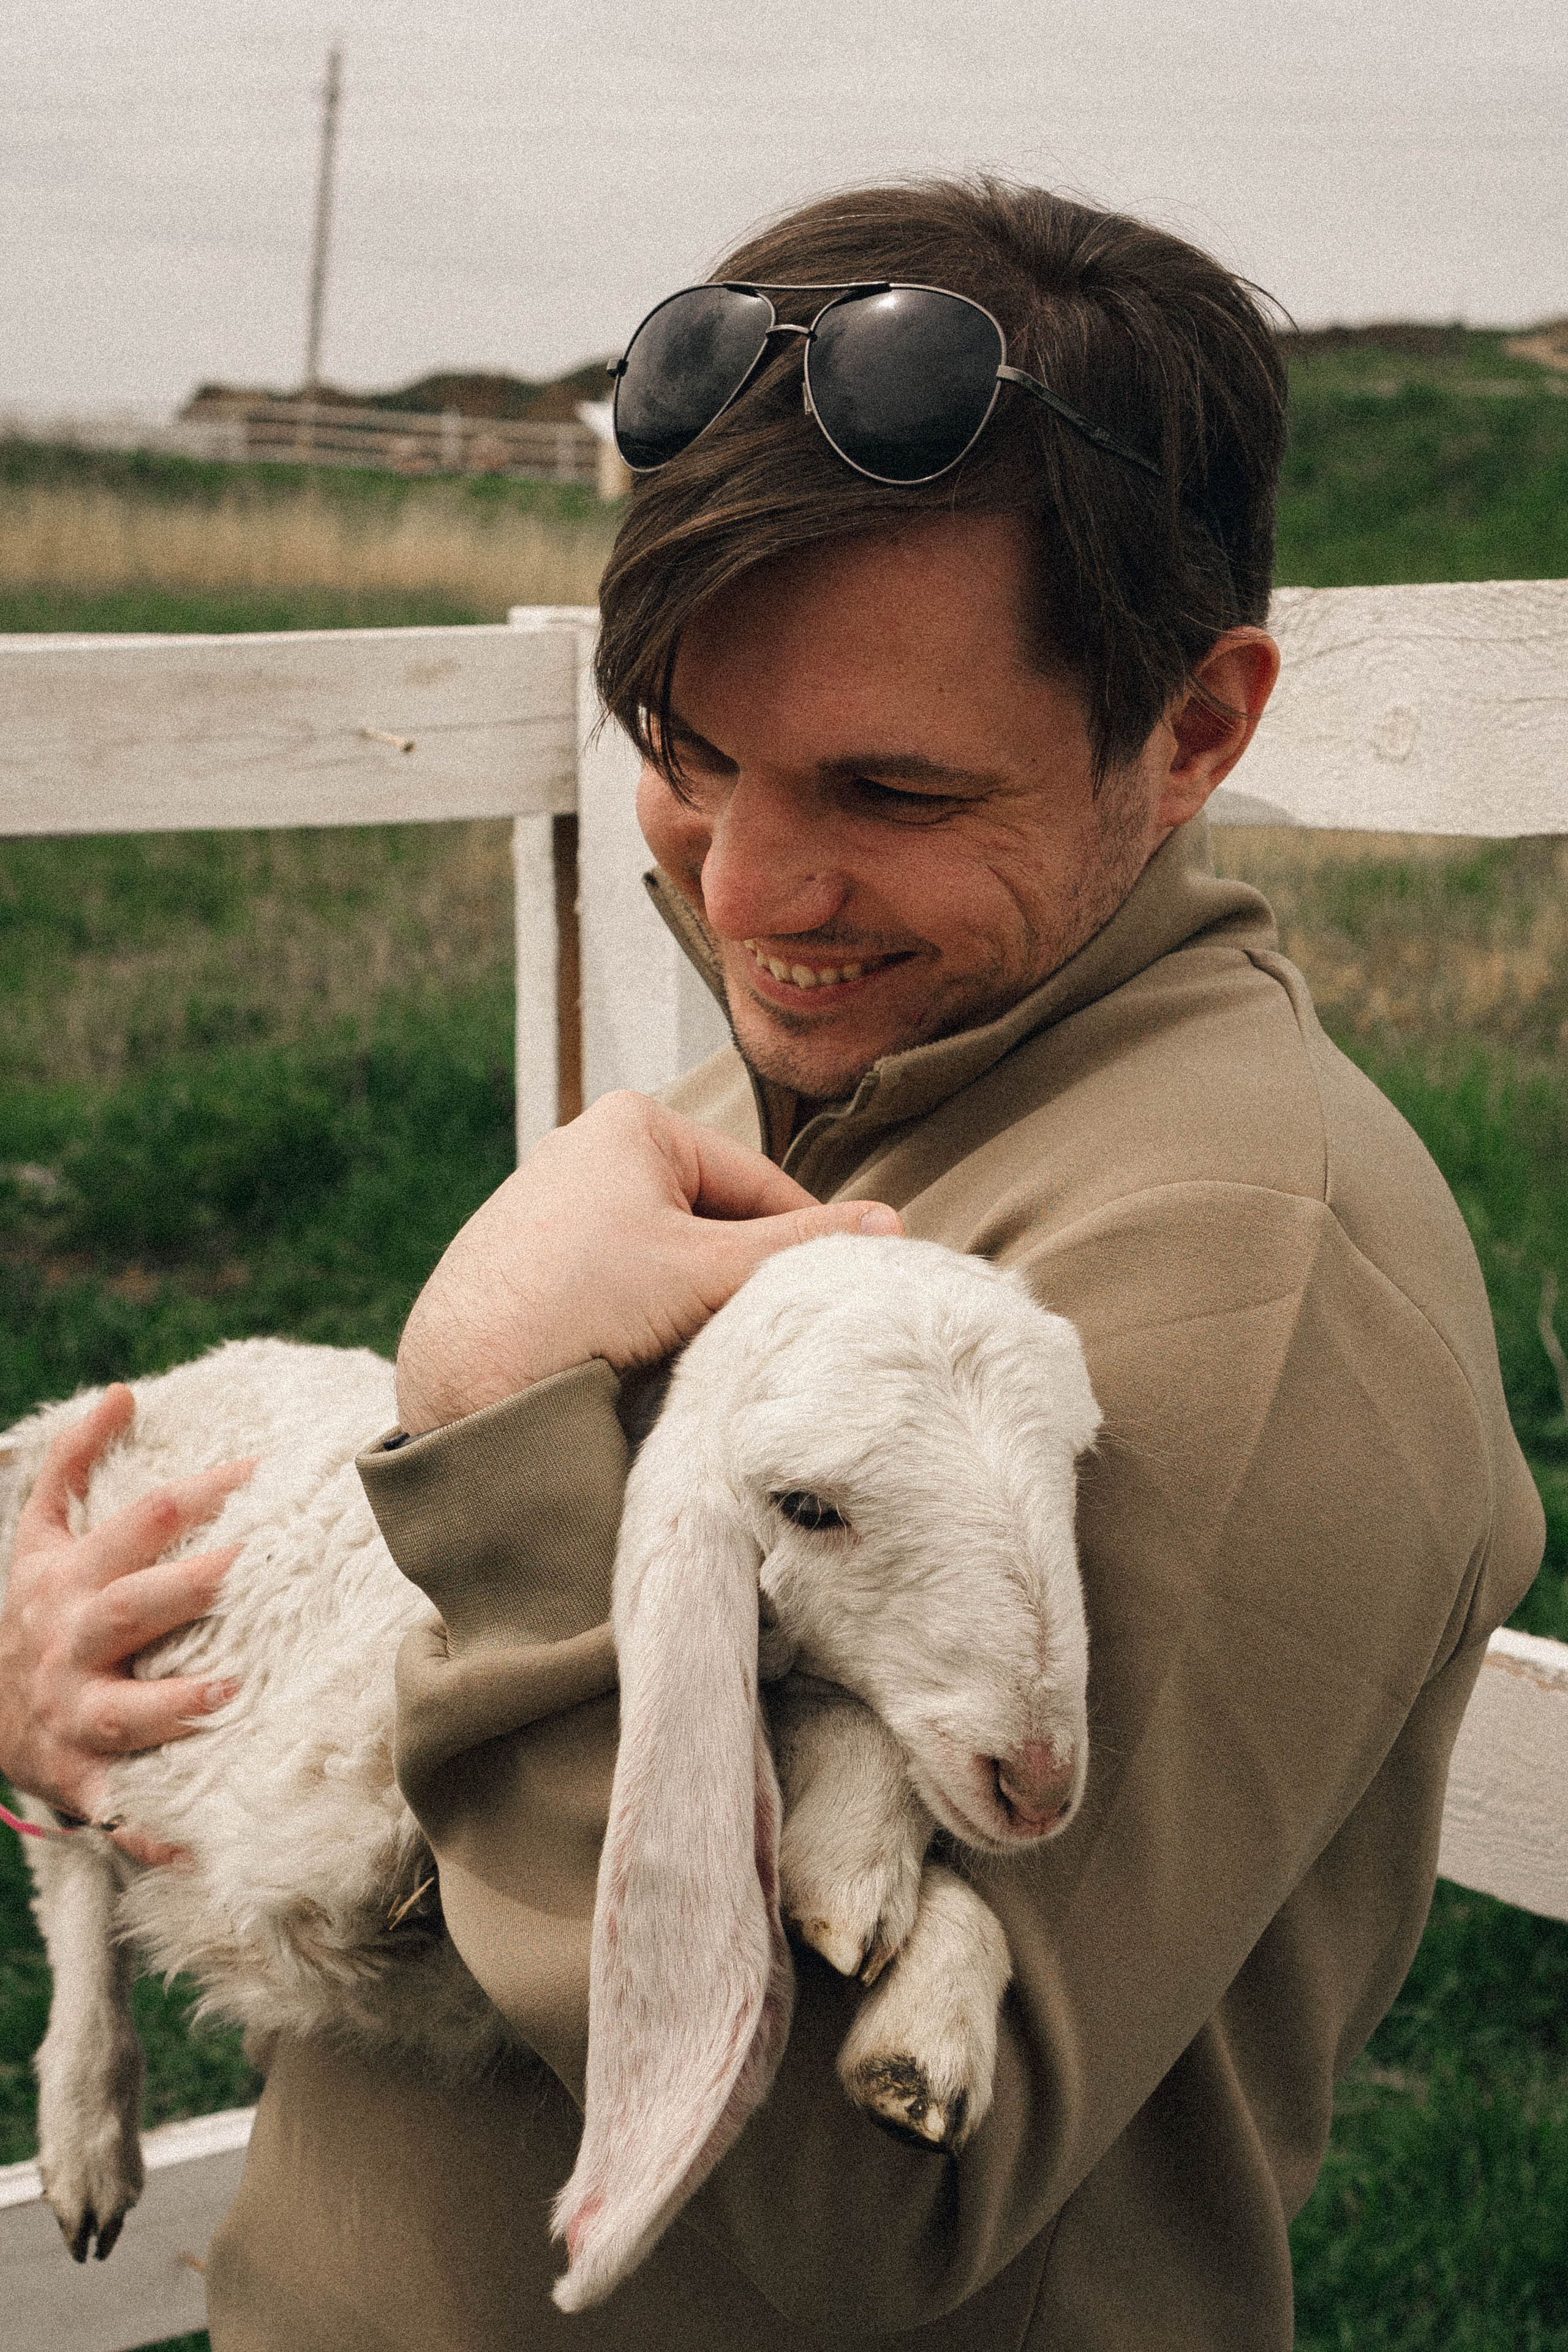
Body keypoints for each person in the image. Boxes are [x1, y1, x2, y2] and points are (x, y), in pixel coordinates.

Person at [0, 180, 1541, 2350]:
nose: (751, 887)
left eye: (890, 786)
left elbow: (842, 2222)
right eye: (688, 755)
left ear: (1198, 727)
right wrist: (114, 1696)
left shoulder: (1236, 1284)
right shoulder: (842, 1087)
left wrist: (510, 1437)